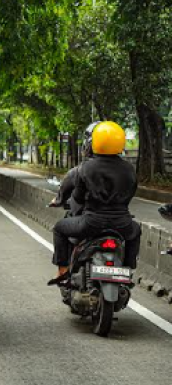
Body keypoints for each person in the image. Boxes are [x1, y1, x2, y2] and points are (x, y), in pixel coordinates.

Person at [50, 121, 141, 283]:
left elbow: (77, 197)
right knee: (136, 231)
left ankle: (62, 269)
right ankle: (128, 268)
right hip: (122, 225)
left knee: (59, 228)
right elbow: (130, 194)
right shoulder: (129, 169)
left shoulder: (85, 168)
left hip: (91, 223)